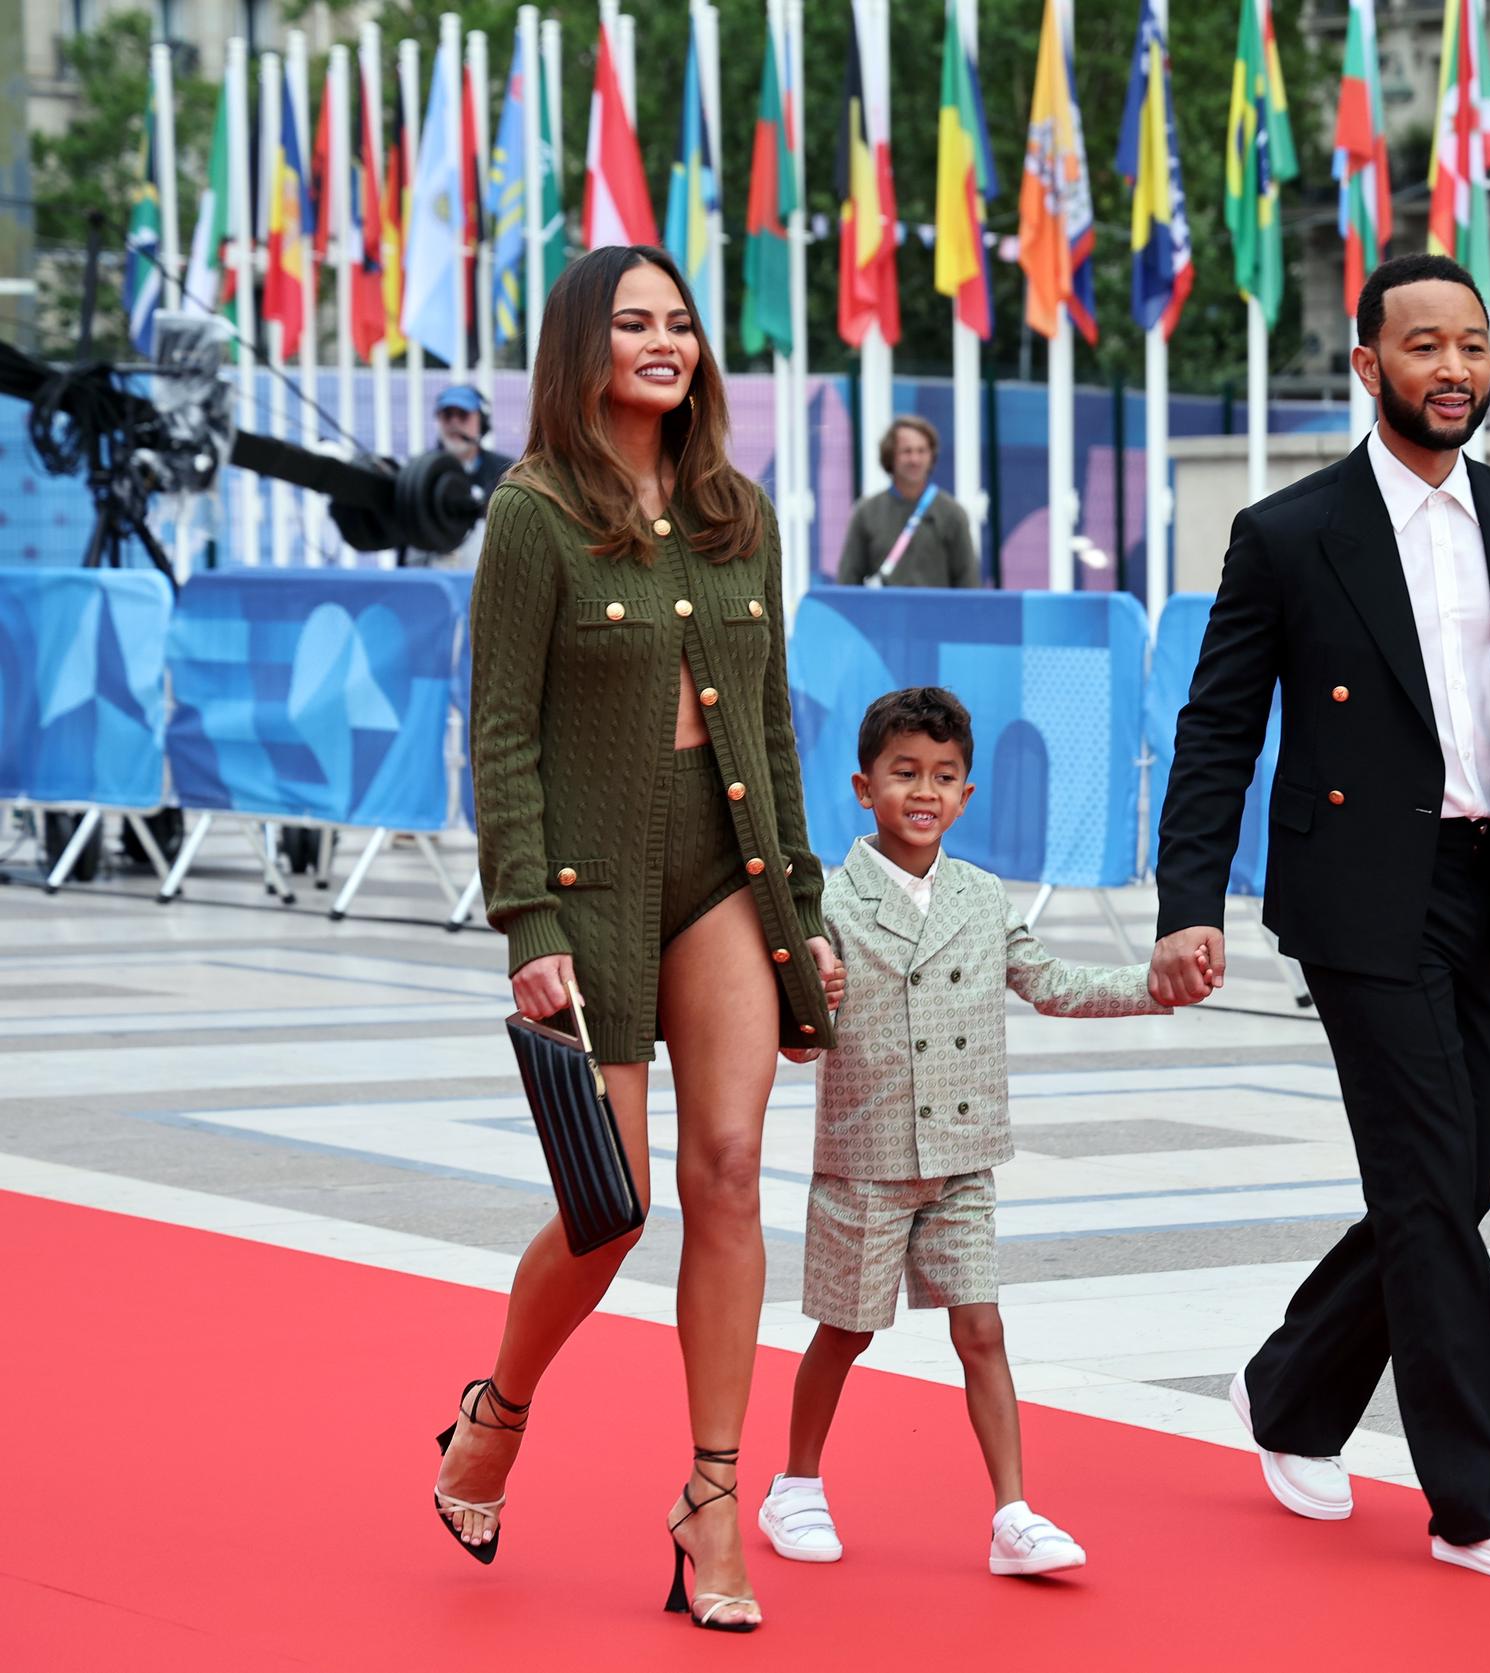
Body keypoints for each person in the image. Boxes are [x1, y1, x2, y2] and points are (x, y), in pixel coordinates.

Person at [1148, 253, 1490, 1580]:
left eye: (1472, 345)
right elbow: (1217, 728)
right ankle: (1489, 1498)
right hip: (1356, 895)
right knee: (1426, 1184)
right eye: (1423, 347)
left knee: (1454, 1186)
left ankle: (1290, 1390)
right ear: (1367, 364)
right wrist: (1187, 903)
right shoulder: (1291, 533)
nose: (1454, 369)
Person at [437, 245, 846, 1634]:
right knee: (609, 1204)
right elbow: (499, 730)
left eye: (680, 322)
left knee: (727, 1172)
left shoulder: (740, 513)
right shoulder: (534, 513)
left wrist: (802, 905)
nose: (665, 342)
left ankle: (712, 1498)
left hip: (721, 876)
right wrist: (524, 920)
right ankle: (498, 1405)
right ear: (583, 345)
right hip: (585, 885)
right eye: (634, 322)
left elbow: (773, 723)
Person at [759, 686, 1200, 1577]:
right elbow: (797, 1049)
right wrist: (810, 1008)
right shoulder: (828, 905)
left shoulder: (982, 896)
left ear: (967, 795)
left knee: (983, 1330)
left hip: (964, 1158)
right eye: (905, 773)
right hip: (867, 1159)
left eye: (945, 776)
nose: (924, 791)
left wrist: (1155, 985)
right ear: (862, 785)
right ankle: (793, 1484)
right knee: (846, 1330)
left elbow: (1052, 982)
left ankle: (1013, 1512)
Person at [835, 417, 982, 589]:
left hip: (936, 614)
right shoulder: (866, 512)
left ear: (931, 456)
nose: (915, 459)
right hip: (885, 613)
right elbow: (848, 578)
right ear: (891, 456)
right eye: (907, 451)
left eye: (922, 451)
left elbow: (968, 581)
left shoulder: (952, 513)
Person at [408, 384, 515, 569]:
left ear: (482, 422)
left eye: (463, 415)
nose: (454, 423)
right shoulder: (417, 471)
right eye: (448, 415)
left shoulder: (506, 471)